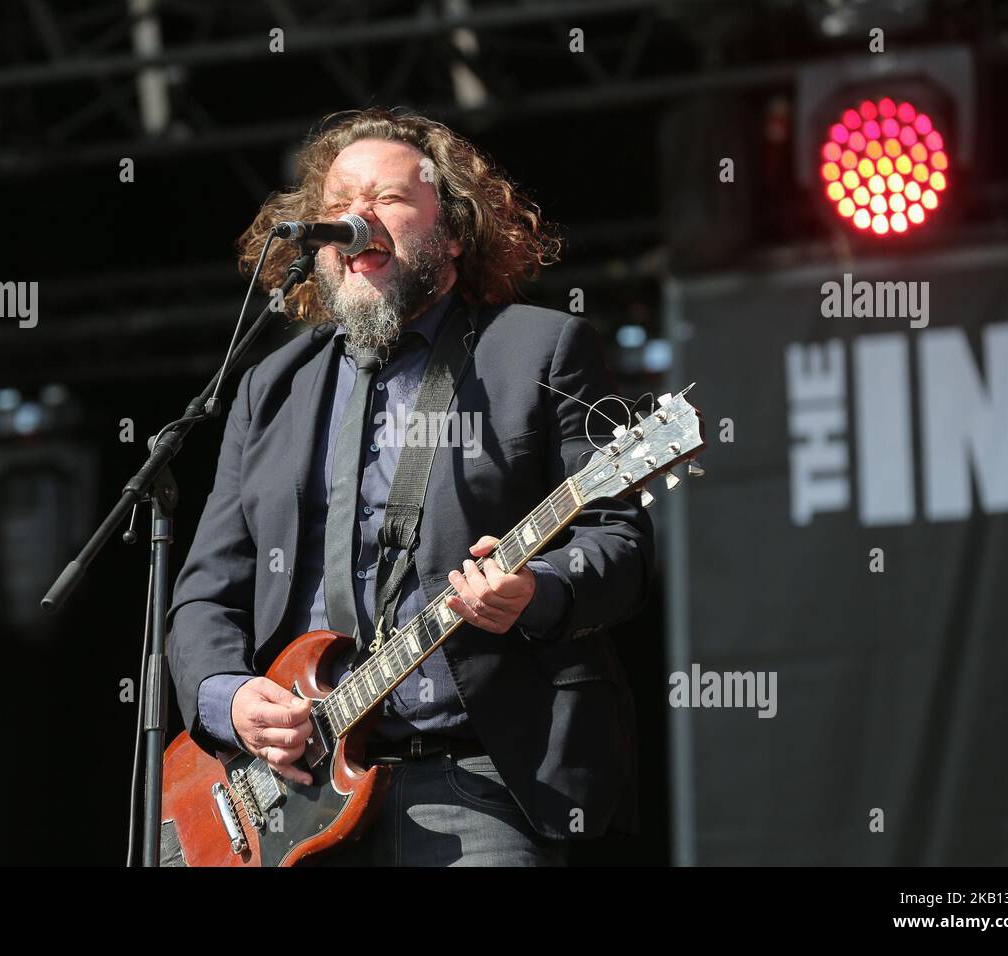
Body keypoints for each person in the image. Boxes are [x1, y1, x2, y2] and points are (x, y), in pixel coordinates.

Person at [167, 107, 652, 866]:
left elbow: (618, 545)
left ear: (452, 230)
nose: (355, 218)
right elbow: (205, 595)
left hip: (476, 780)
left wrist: (539, 591)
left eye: (388, 199)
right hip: (288, 795)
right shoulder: (272, 387)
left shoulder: (538, 348)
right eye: (336, 206)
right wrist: (228, 698)